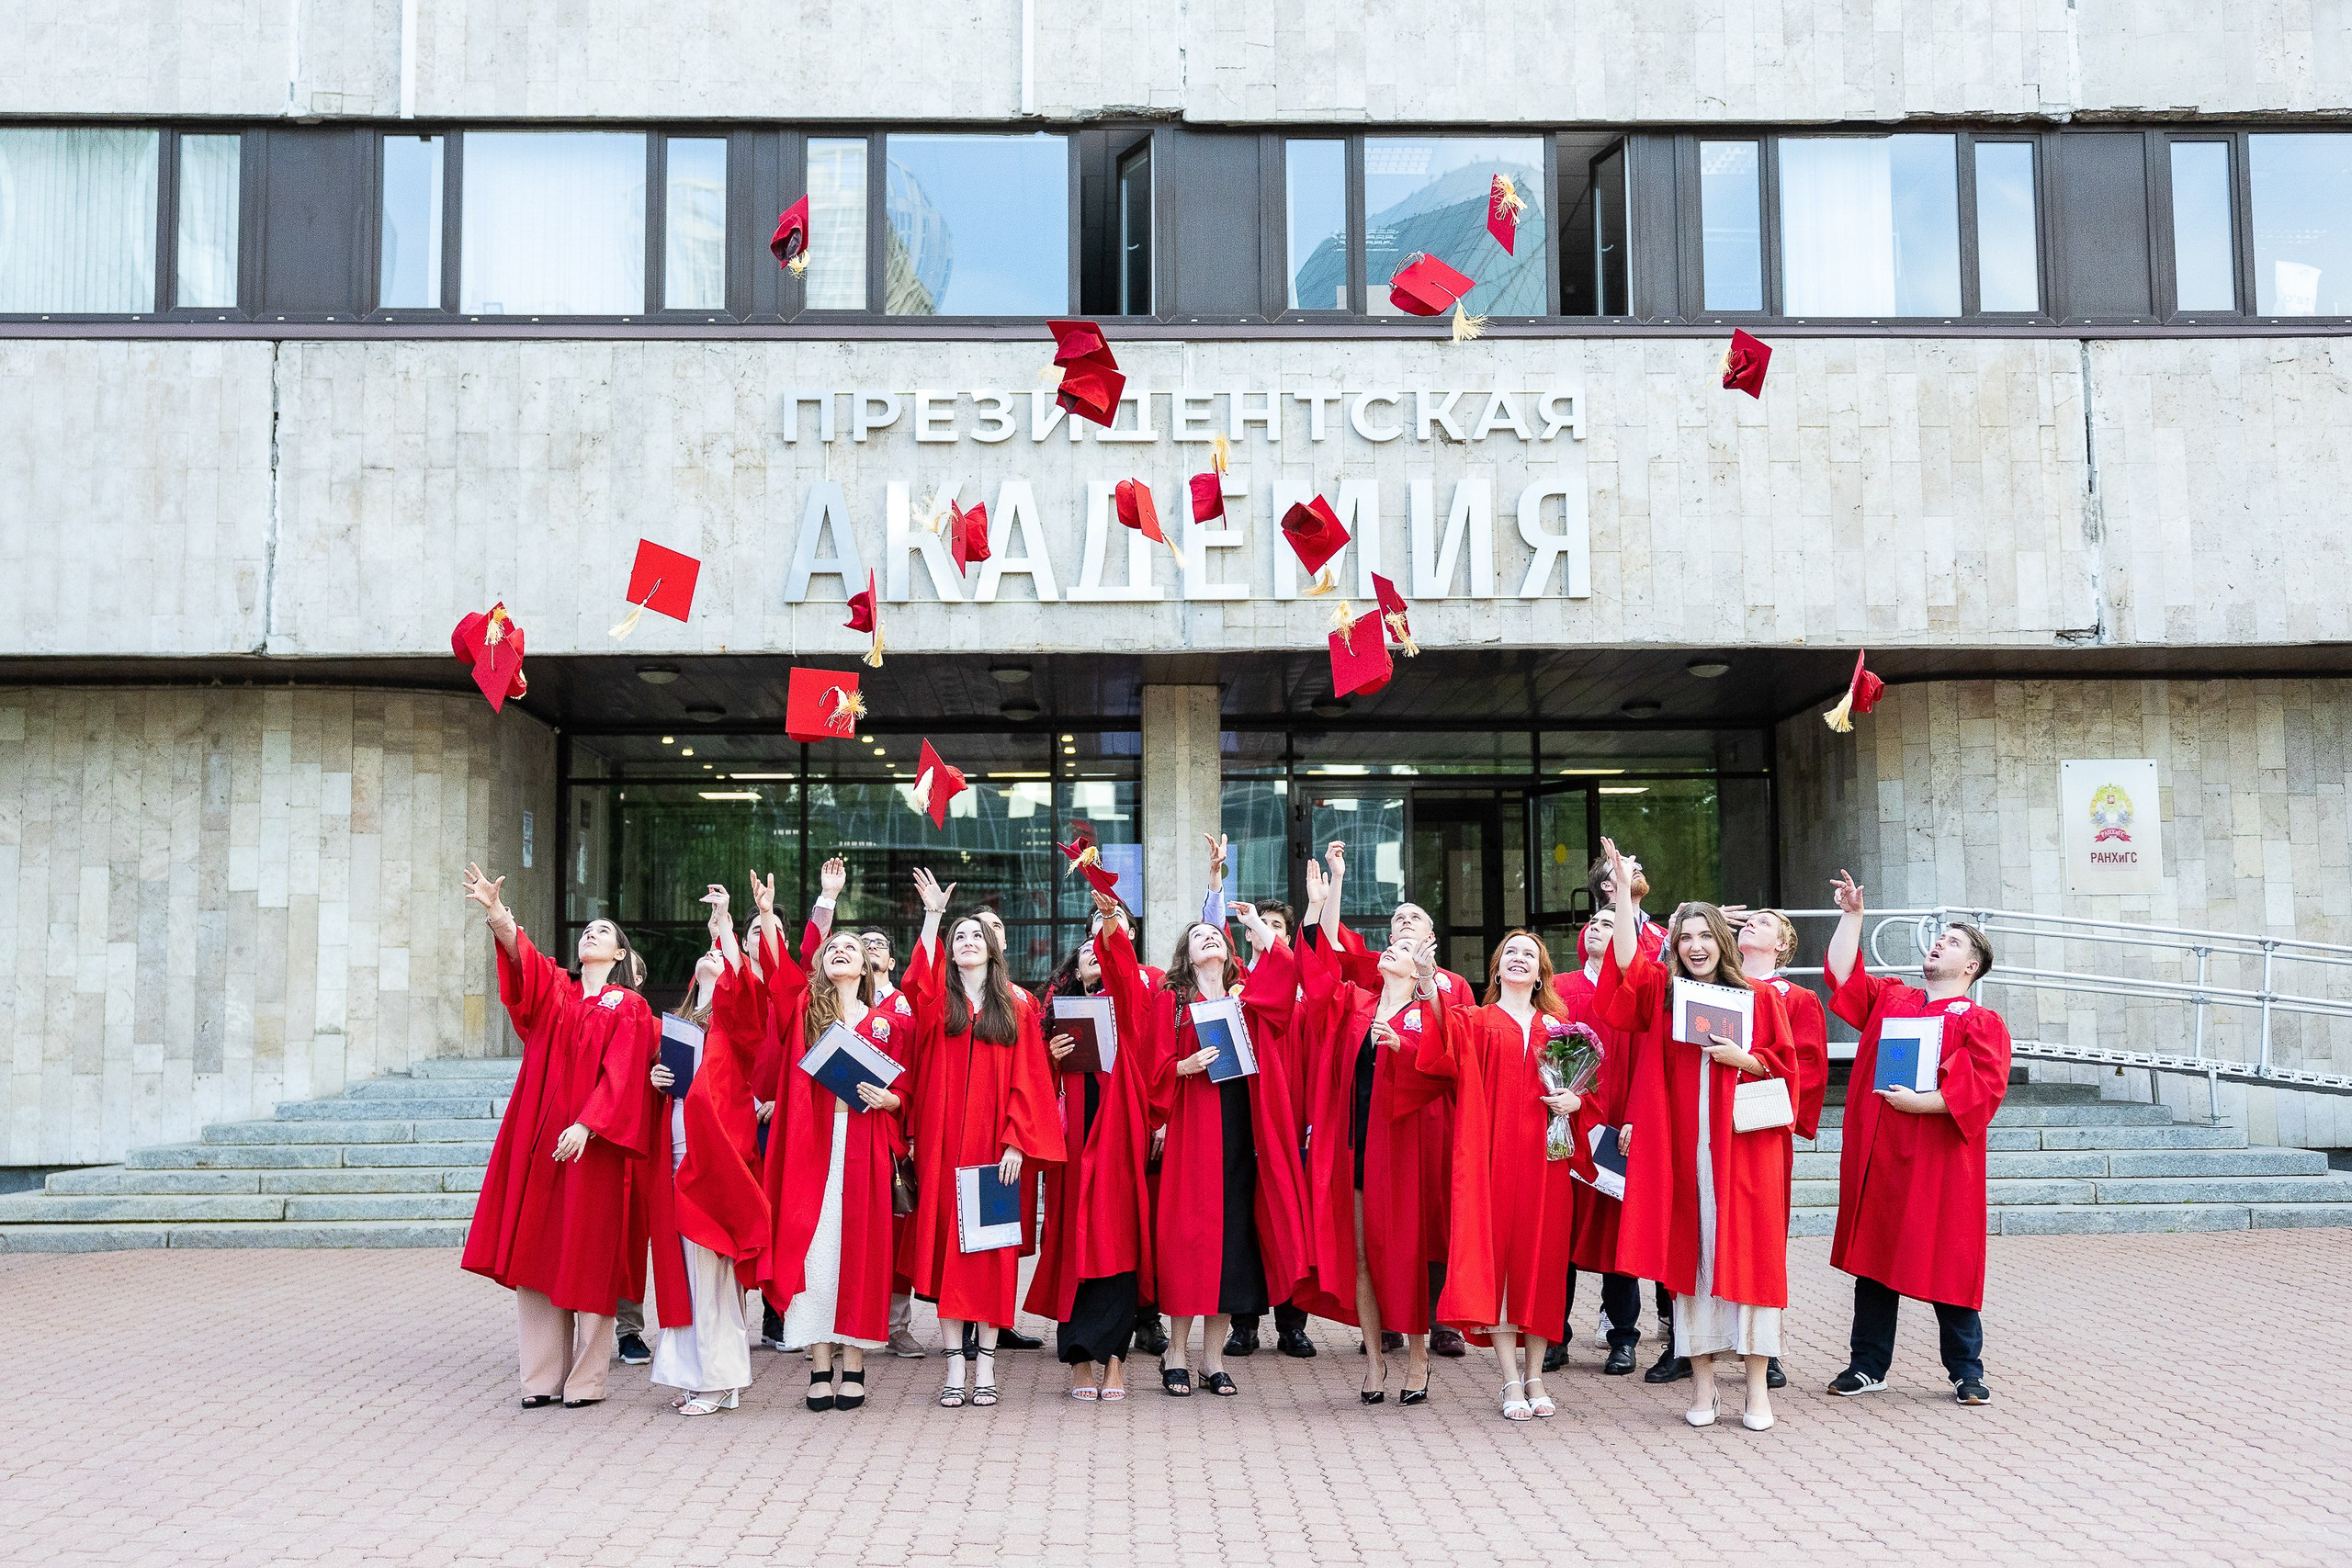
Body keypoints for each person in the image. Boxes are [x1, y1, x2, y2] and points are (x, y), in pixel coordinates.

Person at [1593, 838, 1796, 1432]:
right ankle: (1704, 1386)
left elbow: (1790, 1071)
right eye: (1687, 936)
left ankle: (1757, 1389)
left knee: (1751, 1268)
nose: (1697, 945)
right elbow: (1627, 963)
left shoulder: (1758, 998)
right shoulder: (1665, 993)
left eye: (1706, 935)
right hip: (1686, 1157)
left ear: (1723, 943)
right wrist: (1626, 892)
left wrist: (1745, 1057)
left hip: (1744, 1158)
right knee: (1694, 1269)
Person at [1096, 886, 1310, 1397]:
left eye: (1215, 934)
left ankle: (1213, 1361)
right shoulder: (1171, 1000)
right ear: (1185, 955)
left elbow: (1288, 983)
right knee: (1191, 1243)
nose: (1208, 939)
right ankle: (1176, 1352)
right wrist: (1182, 1068)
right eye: (1198, 936)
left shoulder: (1247, 996)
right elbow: (1150, 1059)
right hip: (1195, 1128)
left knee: (1233, 1249)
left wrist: (1257, 925)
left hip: (1242, 1131)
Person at [458, 864, 656, 1410]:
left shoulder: (630, 1007)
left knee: (588, 1256)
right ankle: (541, 1379)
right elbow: (522, 962)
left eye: (603, 932)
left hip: (593, 1151)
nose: (590, 934)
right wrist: (498, 913)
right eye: (586, 930)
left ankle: (587, 1381)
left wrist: (589, 1124)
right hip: (542, 1144)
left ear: (620, 956)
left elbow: (623, 1072)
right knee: (539, 1254)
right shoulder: (559, 995)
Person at [1822, 872, 2012, 1406]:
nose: (1938, 944)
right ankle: (1867, 1366)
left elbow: (1982, 1087)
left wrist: (1921, 1104)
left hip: (1939, 1159)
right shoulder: (1893, 999)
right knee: (1875, 1260)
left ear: (1971, 966)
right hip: (1882, 1155)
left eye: (1952, 942)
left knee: (1946, 1258)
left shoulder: (1981, 1021)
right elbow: (1842, 974)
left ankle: (1966, 1371)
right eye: (1938, 939)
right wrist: (1853, 916)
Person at [898, 868, 1066, 1407]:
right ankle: (953, 1368)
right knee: (950, 1252)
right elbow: (912, 982)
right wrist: (931, 917)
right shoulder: (935, 1006)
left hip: (996, 1155)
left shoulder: (1015, 1008)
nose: (967, 943)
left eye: (976, 937)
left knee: (991, 1256)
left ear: (993, 950)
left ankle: (987, 1368)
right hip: (944, 1150)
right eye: (959, 937)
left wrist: (1018, 1142)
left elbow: (1030, 1079)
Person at [1414, 912, 1584, 1421]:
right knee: (1500, 1265)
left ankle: (1536, 1374)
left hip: (1546, 1162)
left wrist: (1575, 1103)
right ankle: (1511, 1378)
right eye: (1510, 952)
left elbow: (1587, 1091)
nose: (1518, 958)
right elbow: (1441, 1034)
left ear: (1540, 974)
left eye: (1528, 954)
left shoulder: (1559, 1029)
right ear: (1496, 969)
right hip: (1491, 1159)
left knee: (1541, 1262)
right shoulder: (1478, 1022)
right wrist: (1425, 978)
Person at [1295, 857, 1447, 1406]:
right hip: (1355, 1146)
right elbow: (1317, 977)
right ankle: (1376, 1360)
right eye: (1390, 945)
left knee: (1402, 1252)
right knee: (1359, 1253)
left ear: (1420, 963)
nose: (1391, 951)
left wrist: (1403, 1045)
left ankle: (1419, 1355)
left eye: (1403, 950)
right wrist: (1320, 901)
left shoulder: (1430, 1010)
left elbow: (1446, 1067)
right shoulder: (1355, 1004)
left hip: (1402, 1148)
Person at [757, 874, 909, 1415]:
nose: (841, 952)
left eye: (852, 948)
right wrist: (805, 906)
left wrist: (894, 1103)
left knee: (860, 1252)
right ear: (820, 965)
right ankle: (819, 1363)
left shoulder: (888, 1022)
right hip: (814, 1146)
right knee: (817, 1252)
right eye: (833, 949)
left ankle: (854, 1363)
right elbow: (777, 975)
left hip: (865, 1144)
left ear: (869, 967)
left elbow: (909, 1084)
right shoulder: (805, 1011)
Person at [643, 884, 772, 1416]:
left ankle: (718, 1378)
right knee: (686, 1277)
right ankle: (703, 1374)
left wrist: (722, 921)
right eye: (706, 961)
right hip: (674, 1158)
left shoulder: (734, 1031)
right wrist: (656, 1078)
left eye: (720, 960)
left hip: (714, 1165)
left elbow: (746, 998)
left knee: (712, 1278)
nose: (713, 961)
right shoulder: (677, 1030)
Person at [1029, 904, 1159, 1400]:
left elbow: (1125, 970)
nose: (1095, 956)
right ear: (1074, 970)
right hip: (1072, 1146)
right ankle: (1081, 1359)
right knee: (1072, 1246)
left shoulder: (1126, 1006)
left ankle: (1115, 1360)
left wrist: (1108, 917)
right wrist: (1052, 1056)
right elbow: (1040, 1083)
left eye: (1101, 950)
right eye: (1086, 953)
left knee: (1118, 1242)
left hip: (1116, 1142)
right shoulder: (1057, 1014)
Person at [1585, 848, 1679, 1382]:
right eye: (1626, 867)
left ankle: (1676, 1329)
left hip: (1661, 1099)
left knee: (1669, 1220)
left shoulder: (1668, 939)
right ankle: (1622, 1333)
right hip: (1613, 1104)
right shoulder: (1608, 941)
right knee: (1612, 1227)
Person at [1733, 908, 1833, 1393]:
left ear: (1783, 945)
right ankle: (1688, 1343)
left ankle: (1764, 1347)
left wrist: (1765, 1094)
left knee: (1763, 1235)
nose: (1752, 923)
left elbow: (1809, 1064)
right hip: (1707, 1123)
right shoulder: (1714, 983)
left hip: (1761, 1126)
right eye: (1748, 920)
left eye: (1766, 922)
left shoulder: (1799, 998)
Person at [1551, 907, 1645, 1378]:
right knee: (1560, 1233)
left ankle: (1623, 1338)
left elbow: (1649, 1060)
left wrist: (1636, 1118)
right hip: (1566, 1127)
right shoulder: (1561, 989)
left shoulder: (1634, 993)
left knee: (1615, 1235)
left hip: (1616, 1130)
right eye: (1593, 921)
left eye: (1611, 922)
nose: (1598, 927)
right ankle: (1554, 1336)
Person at [863, 929, 899, 1000]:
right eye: (864, 943)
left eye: (880, 943)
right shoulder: (839, 1005)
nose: (872, 946)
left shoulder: (909, 1007)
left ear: (891, 963)